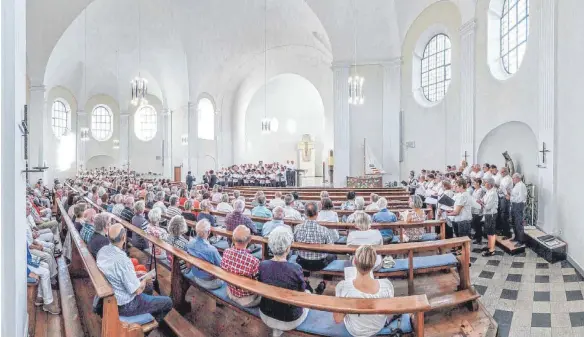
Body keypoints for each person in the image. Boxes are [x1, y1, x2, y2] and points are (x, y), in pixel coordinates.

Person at [97, 223, 173, 323]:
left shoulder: (102, 251)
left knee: (149, 286)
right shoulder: (122, 260)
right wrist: (145, 279)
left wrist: (138, 277)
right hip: (125, 305)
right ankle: (147, 324)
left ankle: (148, 309)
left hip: (113, 295)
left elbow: (118, 274)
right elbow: (137, 291)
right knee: (168, 302)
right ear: (124, 237)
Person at [334, 245, 395, 337]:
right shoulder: (387, 285)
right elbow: (389, 314)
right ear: (374, 263)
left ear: (354, 261)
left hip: (354, 330)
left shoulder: (343, 287)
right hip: (377, 327)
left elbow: (338, 319)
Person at [258, 227, 308, 336]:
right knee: (307, 295)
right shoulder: (295, 268)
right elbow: (301, 292)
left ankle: (277, 330)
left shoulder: (262, 265)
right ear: (288, 248)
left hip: (265, 313)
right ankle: (279, 329)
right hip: (289, 319)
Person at [221, 225, 261, 307]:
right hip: (247, 300)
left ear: (233, 239)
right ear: (250, 240)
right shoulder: (254, 261)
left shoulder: (226, 252)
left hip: (230, 292)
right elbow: (257, 284)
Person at [293, 202, 336, 271]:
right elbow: (331, 247)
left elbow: (294, 242)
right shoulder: (324, 229)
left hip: (301, 261)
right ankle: (326, 281)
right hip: (319, 263)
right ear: (317, 214)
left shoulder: (297, 228)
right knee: (334, 255)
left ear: (305, 214)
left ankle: (306, 278)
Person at [186, 219, 224, 289]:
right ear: (209, 232)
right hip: (210, 282)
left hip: (196, 275)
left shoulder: (189, 243)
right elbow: (222, 266)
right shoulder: (212, 250)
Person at [27, 245, 60, 314]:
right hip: (23, 264)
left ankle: (40, 297)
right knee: (45, 272)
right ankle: (48, 303)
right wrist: (28, 272)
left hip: (27, 259)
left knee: (46, 265)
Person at [478, 177, 498, 257]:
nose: (484, 184)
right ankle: (489, 246)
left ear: (490, 184)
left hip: (491, 214)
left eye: (485, 182)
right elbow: (483, 199)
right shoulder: (488, 191)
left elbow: (488, 206)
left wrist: (481, 203)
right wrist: (480, 201)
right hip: (487, 214)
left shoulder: (493, 193)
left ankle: (492, 250)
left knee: (491, 232)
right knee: (488, 231)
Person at [510, 173, 527, 247]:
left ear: (517, 178)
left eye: (513, 178)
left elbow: (521, 198)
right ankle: (516, 237)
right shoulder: (517, 185)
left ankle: (521, 241)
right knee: (514, 221)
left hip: (518, 205)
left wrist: (511, 198)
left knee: (519, 223)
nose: (512, 180)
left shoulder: (521, 185)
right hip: (514, 204)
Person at [497, 167, 513, 239]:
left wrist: (500, 189)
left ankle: (507, 233)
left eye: (503, 172)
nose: (501, 173)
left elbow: (503, 188)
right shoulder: (503, 178)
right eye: (501, 172)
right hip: (501, 197)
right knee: (501, 214)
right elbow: (500, 189)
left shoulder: (508, 178)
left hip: (505, 198)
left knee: (504, 215)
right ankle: (503, 231)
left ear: (506, 172)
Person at [470, 179, 486, 245]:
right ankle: (477, 236)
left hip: (478, 210)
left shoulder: (481, 190)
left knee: (478, 225)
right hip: (473, 209)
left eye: (475, 183)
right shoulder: (475, 190)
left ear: (478, 183)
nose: (473, 184)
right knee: (475, 224)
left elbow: (480, 200)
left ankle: (479, 239)